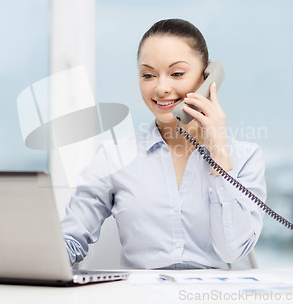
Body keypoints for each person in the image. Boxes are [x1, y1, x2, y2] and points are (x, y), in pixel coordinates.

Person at [61, 18, 266, 270]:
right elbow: (71, 238)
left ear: (207, 79)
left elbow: (232, 250)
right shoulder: (114, 156)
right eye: (148, 75)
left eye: (177, 73)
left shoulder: (245, 157)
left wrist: (219, 152)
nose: (161, 88)